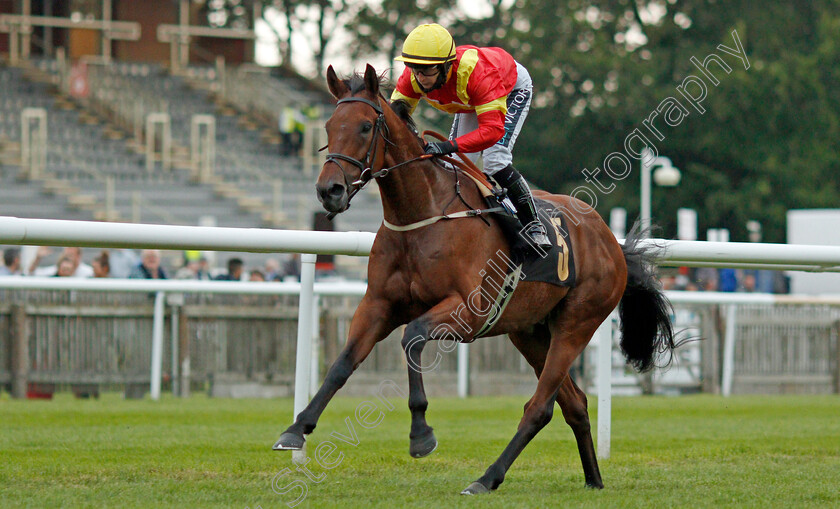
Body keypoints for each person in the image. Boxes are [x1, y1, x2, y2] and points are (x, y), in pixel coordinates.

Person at [391, 23, 550, 248]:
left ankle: (534, 224)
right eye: (414, 68)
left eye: (426, 70)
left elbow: (492, 131)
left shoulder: (477, 74)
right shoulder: (412, 77)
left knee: (495, 160)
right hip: (472, 100)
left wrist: (446, 146)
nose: (420, 77)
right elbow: (395, 119)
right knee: (455, 166)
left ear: (446, 66)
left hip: (509, 88)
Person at [28, 246, 94, 277]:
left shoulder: (88, 272)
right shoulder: (56, 270)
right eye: (66, 255)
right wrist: (38, 258)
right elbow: (32, 273)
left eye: (71, 255)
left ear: (78, 256)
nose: (68, 258)